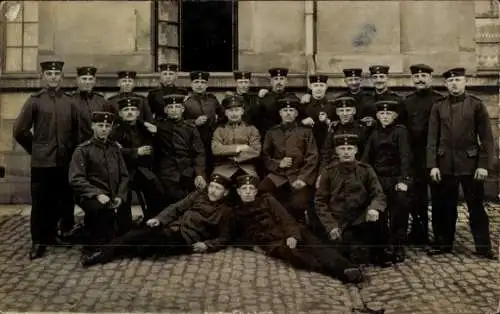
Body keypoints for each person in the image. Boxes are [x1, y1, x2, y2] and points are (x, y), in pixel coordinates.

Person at [80, 173, 233, 267]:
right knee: (134, 235)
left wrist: (207, 245)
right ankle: (99, 256)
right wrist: (159, 219)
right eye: (211, 186)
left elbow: (224, 237)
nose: (212, 190)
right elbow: (176, 207)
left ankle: (105, 252)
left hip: (183, 239)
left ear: (225, 193)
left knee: (144, 247)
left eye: (217, 188)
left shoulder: (225, 212)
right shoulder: (198, 195)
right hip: (170, 227)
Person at [233, 174, 364, 284]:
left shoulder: (268, 200)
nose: (248, 192)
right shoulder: (237, 212)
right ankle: (340, 274)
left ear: (256, 191)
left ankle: (347, 267)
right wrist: (254, 247)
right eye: (244, 188)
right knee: (300, 257)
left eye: (251, 188)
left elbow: (285, 218)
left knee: (318, 247)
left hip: (292, 230)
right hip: (275, 243)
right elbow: (235, 236)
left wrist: (292, 236)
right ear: (238, 192)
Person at [13, 60, 81, 260]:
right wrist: (36, 149)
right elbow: (19, 131)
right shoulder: (35, 100)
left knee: (62, 200)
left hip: (64, 161)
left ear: (61, 77)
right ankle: (38, 241)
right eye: (49, 74)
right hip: (42, 162)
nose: (53, 77)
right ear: (43, 76)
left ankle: (55, 235)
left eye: (56, 74)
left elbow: (76, 132)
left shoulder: (70, 101)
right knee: (41, 202)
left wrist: (73, 154)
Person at [427, 67, 495, 259]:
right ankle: (443, 244)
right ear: (445, 84)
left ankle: (483, 247)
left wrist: (483, 165)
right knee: (444, 208)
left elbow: (487, 139)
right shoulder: (438, 107)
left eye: (458, 80)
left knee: (476, 208)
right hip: (445, 165)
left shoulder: (476, 105)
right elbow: (432, 139)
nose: (454, 84)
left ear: (465, 82)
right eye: (450, 81)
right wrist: (432, 165)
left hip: (470, 166)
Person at [315, 134, 390, 267]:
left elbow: (378, 194)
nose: (346, 152)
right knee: (341, 254)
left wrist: (374, 208)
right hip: (339, 221)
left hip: (360, 219)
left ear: (356, 150)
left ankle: (378, 252)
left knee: (378, 218)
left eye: (349, 148)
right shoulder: (329, 172)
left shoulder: (366, 170)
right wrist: (331, 226)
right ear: (336, 152)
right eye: (342, 149)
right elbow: (320, 202)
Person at [68, 111, 129, 264]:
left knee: (122, 225)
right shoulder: (83, 150)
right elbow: (76, 179)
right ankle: (91, 247)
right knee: (99, 212)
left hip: (113, 195)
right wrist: (96, 194)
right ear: (92, 126)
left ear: (111, 128)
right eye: (100, 125)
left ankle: (106, 242)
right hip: (89, 196)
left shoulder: (115, 148)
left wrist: (121, 196)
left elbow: (124, 176)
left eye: (107, 126)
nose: (103, 129)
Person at [361, 100, 412, 263]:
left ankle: (398, 245)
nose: (385, 117)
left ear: (395, 116)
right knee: (378, 209)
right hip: (378, 178)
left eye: (388, 114)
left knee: (400, 206)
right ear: (377, 116)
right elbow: (366, 159)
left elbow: (406, 158)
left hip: (396, 178)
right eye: (381, 114)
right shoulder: (374, 134)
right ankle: (382, 246)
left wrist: (403, 180)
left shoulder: (400, 132)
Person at [403, 64, 444, 246]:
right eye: (416, 76)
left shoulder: (440, 100)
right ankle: (419, 233)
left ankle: (441, 236)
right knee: (417, 196)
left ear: (430, 78)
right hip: (416, 156)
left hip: (437, 156)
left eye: (424, 76)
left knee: (439, 197)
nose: (420, 79)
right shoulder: (407, 102)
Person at [260, 97, 319, 224]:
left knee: (298, 204)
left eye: (291, 110)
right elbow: (265, 156)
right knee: (262, 191)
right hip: (279, 174)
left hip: (298, 174)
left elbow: (312, 157)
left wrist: (303, 178)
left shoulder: (306, 132)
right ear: (280, 113)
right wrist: (278, 163)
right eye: (284, 110)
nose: (288, 113)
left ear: (296, 113)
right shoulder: (272, 132)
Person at [111, 97, 164, 223]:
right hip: (123, 172)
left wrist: (156, 134)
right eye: (126, 109)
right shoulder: (115, 131)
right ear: (120, 113)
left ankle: (151, 221)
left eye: (133, 109)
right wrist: (135, 152)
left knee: (157, 190)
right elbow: (114, 152)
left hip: (143, 169)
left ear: (138, 113)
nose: (130, 112)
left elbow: (153, 149)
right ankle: (124, 226)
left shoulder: (145, 128)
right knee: (124, 195)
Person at [154, 94, 207, 207]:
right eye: (170, 107)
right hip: (167, 173)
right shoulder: (159, 127)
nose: (174, 110)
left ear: (182, 109)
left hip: (188, 171)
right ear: (165, 110)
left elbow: (199, 153)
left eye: (177, 107)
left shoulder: (190, 128)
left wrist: (199, 174)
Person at [211, 95, 261, 180]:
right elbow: (216, 149)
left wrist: (235, 157)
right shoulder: (220, 130)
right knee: (216, 186)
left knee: (250, 188)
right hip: (223, 168)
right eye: (230, 110)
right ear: (226, 113)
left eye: (237, 110)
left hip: (246, 167)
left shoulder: (251, 129)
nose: (234, 114)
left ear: (242, 111)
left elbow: (256, 150)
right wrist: (239, 148)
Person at [183, 71, 224, 173]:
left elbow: (223, 116)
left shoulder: (212, 100)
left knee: (212, 163)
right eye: (196, 82)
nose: (199, 85)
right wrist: (194, 122)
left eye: (202, 82)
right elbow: (181, 121)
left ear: (206, 85)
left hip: (211, 138)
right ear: (191, 84)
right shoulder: (186, 102)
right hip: (194, 139)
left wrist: (217, 128)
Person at [321, 96, 368, 169]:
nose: (345, 114)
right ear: (337, 112)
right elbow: (326, 153)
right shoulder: (333, 129)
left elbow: (365, 155)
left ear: (354, 111)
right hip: (335, 169)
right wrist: (322, 173)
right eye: (341, 110)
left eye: (348, 110)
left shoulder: (361, 129)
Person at [258, 68, 302, 136]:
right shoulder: (264, 98)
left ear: (286, 81)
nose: (279, 82)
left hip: (290, 134)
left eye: (281, 79)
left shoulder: (292, 98)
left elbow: (300, 116)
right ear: (271, 81)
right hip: (269, 134)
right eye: (276, 79)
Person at [300, 74, 335, 152]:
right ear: (311, 87)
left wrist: (327, 121)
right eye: (316, 85)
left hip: (326, 145)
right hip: (306, 146)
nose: (319, 88)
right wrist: (302, 122)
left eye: (321, 85)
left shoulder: (332, 107)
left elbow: (337, 126)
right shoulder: (303, 106)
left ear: (326, 87)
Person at [72, 66, 107, 143]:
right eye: (84, 79)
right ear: (77, 80)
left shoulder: (101, 101)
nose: (87, 82)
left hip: (97, 146)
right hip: (76, 146)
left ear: (94, 81)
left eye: (90, 79)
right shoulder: (70, 100)